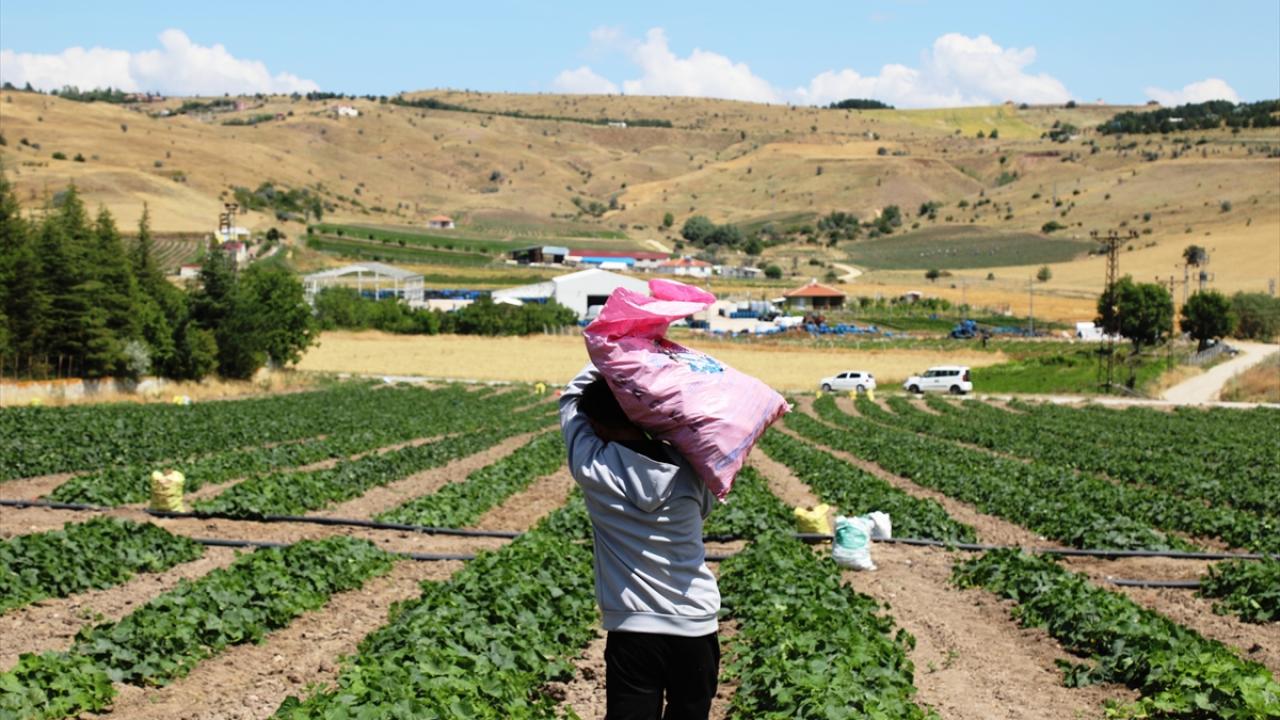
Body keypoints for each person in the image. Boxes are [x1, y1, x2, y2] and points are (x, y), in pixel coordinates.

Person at [559, 363, 720, 720]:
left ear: (597, 425)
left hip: (634, 629)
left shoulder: (594, 469)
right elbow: (704, 510)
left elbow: (570, 400)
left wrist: (613, 355)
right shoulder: (690, 468)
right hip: (696, 624)